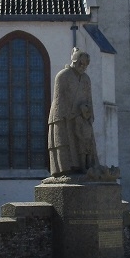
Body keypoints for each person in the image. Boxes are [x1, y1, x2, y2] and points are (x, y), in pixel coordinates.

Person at [47, 48, 99, 177]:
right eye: (81, 63)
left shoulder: (86, 79)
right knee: (65, 144)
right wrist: (69, 115)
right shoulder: (63, 76)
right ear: (74, 61)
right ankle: (66, 170)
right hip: (64, 117)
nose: (83, 67)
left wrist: (88, 114)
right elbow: (59, 99)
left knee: (84, 145)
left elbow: (89, 99)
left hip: (82, 117)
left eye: (86, 65)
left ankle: (85, 167)